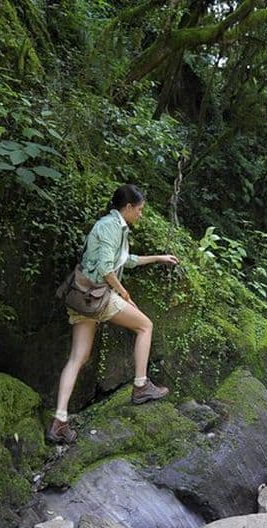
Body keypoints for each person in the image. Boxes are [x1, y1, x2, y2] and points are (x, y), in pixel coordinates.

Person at [47, 184, 179, 444]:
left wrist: (159, 258)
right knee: (145, 326)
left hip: (82, 297)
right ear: (128, 207)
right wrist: (125, 295)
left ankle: (59, 422)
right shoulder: (109, 227)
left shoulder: (115, 227)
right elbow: (108, 270)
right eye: (139, 209)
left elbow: (125, 260)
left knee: (78, 357)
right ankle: (141, 385)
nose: (141, 214)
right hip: (97, 295)